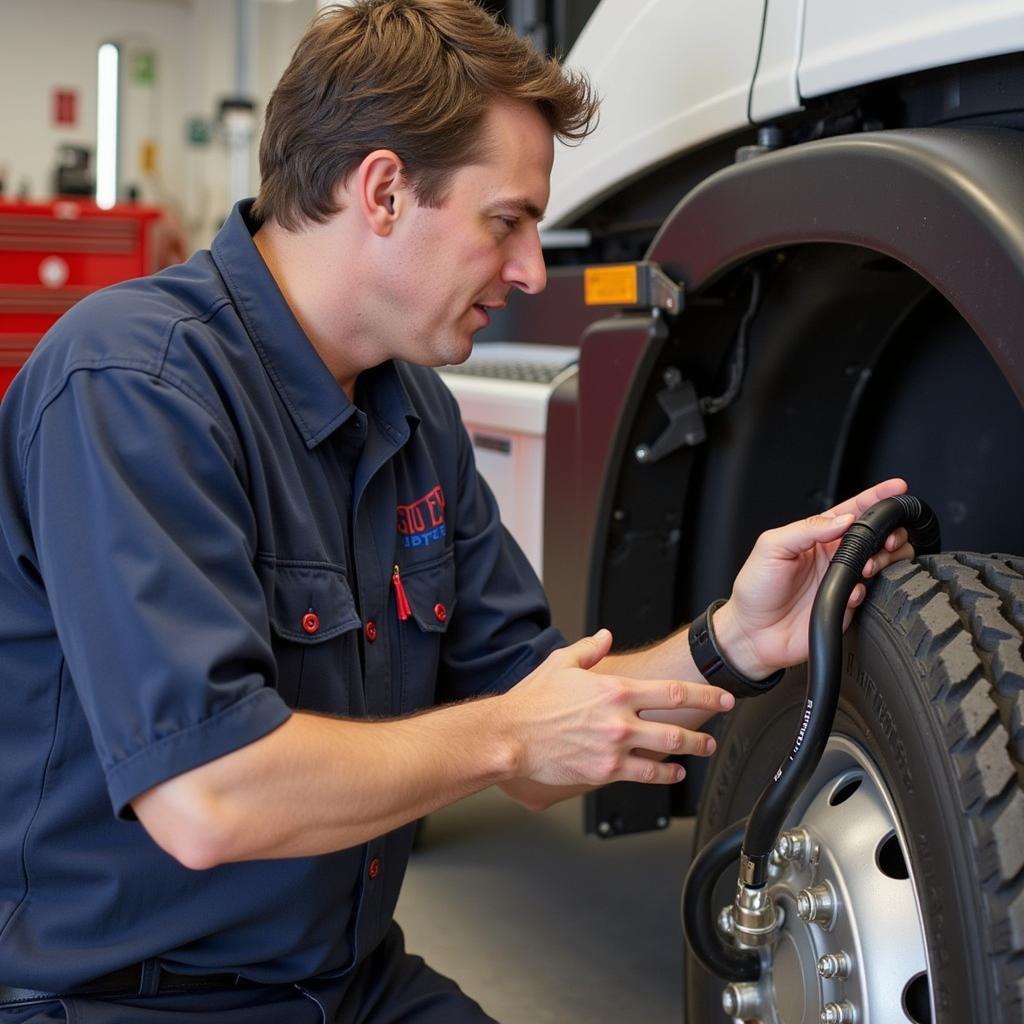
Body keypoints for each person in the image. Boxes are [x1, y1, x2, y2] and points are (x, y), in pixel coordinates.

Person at [0, 2, 913, 1021]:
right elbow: (208, 797)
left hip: (345, 985)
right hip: (121, 1001)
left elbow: (542, 722)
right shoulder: (131, 384)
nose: (529, 269)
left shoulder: (411, 413)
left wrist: (736, 639)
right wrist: (509, 737)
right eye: (506, 221)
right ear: (383, 190)